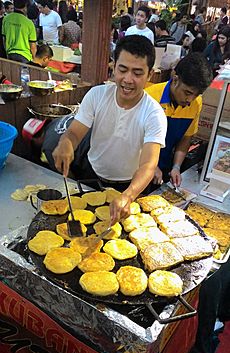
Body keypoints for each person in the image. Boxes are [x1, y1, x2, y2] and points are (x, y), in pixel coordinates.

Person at [42, 35, 167, 223]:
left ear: (150, 75)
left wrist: (128, 195)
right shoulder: (97, 95)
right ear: (114, 67)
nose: (128, 79)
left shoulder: (154, 114)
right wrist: (66, 143)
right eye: (122, 70)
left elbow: (148, 165)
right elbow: (75, 132)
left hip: (128, 187)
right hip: (91, 175)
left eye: (138, 73)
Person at [145, 52, 213, 187]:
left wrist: (176, 167)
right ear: (175, 79)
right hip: (138, 167)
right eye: (187, 93)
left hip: (163, 168)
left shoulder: (196, 103)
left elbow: (185, 139)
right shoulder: (150, 98)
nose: (190, 100)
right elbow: (133, 140)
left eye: (196, 94)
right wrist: (150, 166)